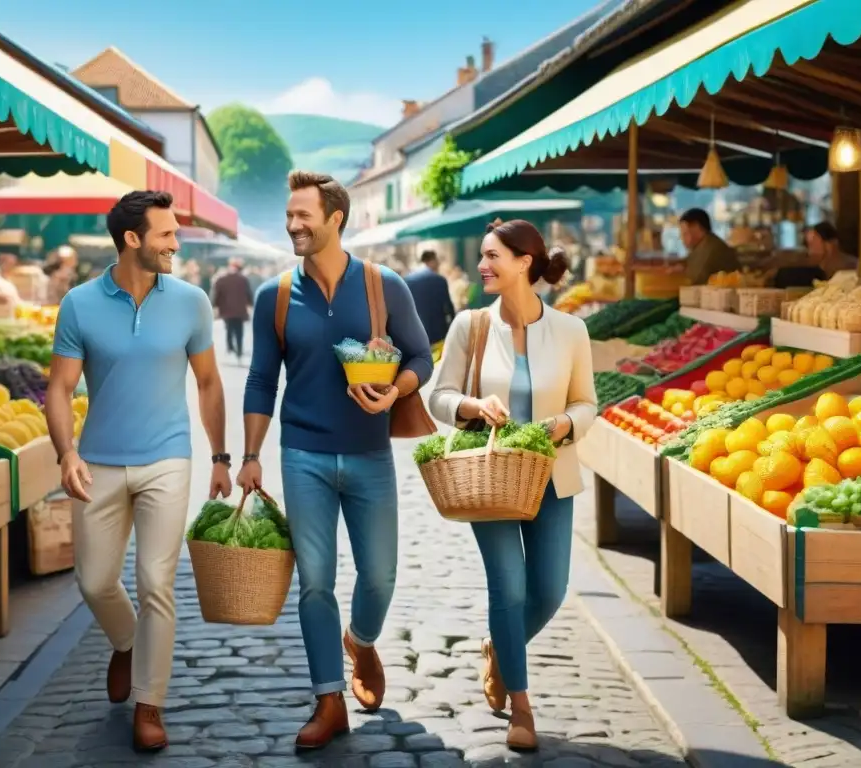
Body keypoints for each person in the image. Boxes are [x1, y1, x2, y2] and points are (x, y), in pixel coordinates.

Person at [238, 171, 433, 751]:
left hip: (370, 454)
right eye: (290, 216)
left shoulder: (383, 285)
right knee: (314, 583)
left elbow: (420, 355)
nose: (294, 225)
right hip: (303, 454)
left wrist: (396, 390)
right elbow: (259, 379)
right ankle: (329, 700)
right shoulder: (272, 295)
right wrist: (250, 454)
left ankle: (362, 640)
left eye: (305, 216)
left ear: (336, 218)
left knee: (379, 575)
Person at [45, 191, 231, 753]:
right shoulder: (79, 304)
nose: (176, 243)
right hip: (98, 460)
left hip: (168, 458)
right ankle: (126, 642)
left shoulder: (192, 301)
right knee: (94, 581)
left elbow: (208, 382)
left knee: (156, 582)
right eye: (167, 235)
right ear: (133, 239)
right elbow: (59, 388)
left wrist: (220, 457)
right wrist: (67, 452)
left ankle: (150, 703)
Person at [428, 219, 597, 752]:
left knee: (549, 590)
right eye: (481, 255)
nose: (483, 265)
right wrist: (473, 406)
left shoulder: (572, 331)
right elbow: (439, 397)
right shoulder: (470, 325)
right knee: (508, 589)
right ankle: (520, 706)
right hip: (492, 476)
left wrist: (564, 425)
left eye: (493, 256)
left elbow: (587, 403)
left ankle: (498, 649)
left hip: (552, 476)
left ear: (525, 262)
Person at [404, 250, 456, 358]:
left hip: (416, 335)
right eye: (437, 261)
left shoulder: (407, 280)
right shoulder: (440, 280)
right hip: (438, 335)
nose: (438, 264)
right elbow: (449, 308)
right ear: (432, 261)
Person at [678, 208, 739, 285]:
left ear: (696, 228)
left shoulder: (712, 248)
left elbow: (695, 280)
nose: (681, 238)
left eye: (685, 233)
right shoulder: (703, 245)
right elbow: (688, 261)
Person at [211, 258, 253, 361]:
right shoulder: (243, 280)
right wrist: (250, 304)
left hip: (226, 309)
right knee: (239, 330)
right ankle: (239, 349)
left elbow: (217, 294)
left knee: (229, 328)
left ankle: (230, 346)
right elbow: (249, 294)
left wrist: (215, 305)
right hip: (240, 310)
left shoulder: (221, 280)